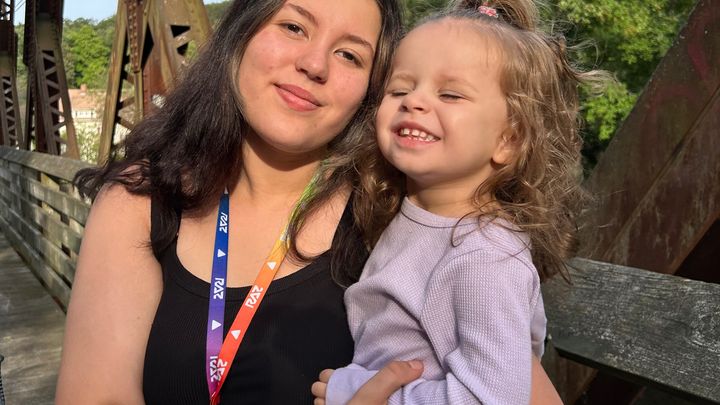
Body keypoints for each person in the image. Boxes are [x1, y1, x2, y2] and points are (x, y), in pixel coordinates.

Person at [55, 0, 561, 403]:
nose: (314, 65)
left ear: (370, 88)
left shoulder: (403, 216)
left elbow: (507, 388)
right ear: (241, 33)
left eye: (350, 55)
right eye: (294, 27)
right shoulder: (142, 199)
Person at [312, 0, 601, 403]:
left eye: (450, 94)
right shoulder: (417, 211)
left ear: (509, 140)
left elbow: (490, 399)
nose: (414, 101)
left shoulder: (486, 258)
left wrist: (363, 394)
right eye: (400, 89)